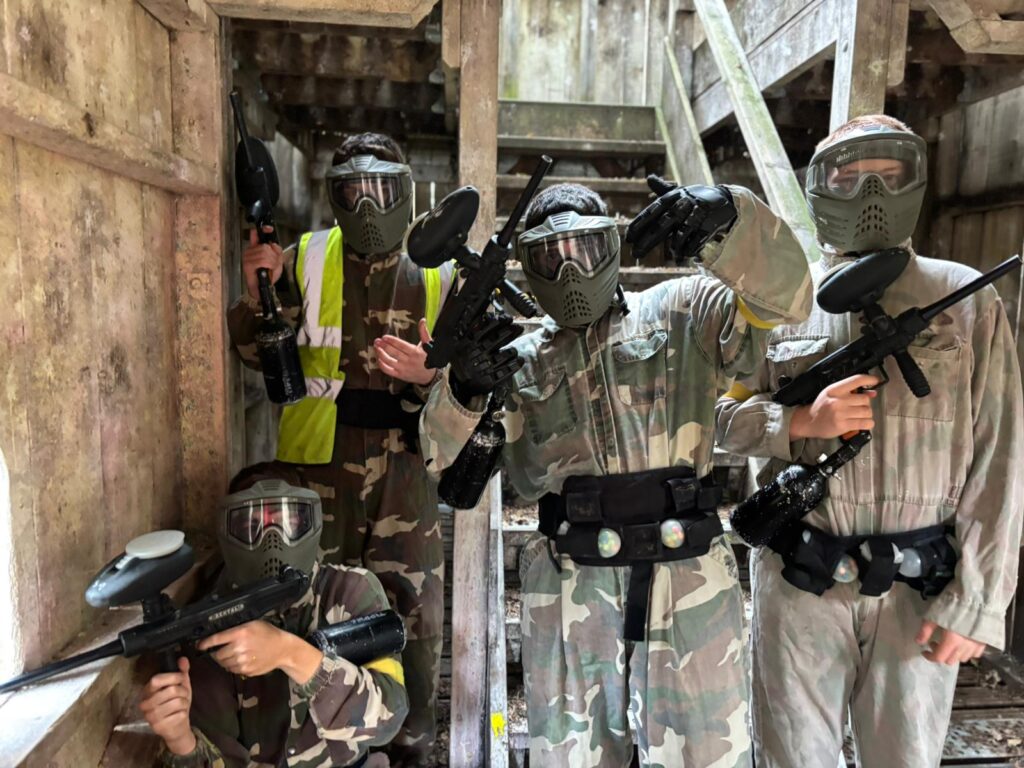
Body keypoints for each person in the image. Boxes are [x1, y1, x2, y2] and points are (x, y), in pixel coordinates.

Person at [416, 180, 812, 767]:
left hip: (687, 584)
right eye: (550, 257)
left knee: (704, 756)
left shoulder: (685, 310)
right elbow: (445, 470)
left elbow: (790, 299)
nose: (570, 271)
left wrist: (732, 220)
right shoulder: (519, 361)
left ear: (612, 246)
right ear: (528, 267)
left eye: (585, 249)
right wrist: (464, 389)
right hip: (572, 589)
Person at [715, 114, 1024, 768]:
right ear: (819, 188)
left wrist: (978, 602)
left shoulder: (965, 301)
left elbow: (1002, 456)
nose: (870, 196)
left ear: (916, 180)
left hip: (917, 588)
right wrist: (795, 423)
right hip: (798, 583)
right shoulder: (776, 300)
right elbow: (712, 415)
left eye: (887, 176)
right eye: (850, 178)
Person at [226, 133, 454, 765]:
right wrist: (257, 291)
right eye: (353, 191)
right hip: (314, 481)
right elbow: (253, 354)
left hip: (405, 477)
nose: (367, 204)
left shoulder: (440, 270)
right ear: (335, 196)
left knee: (413, 624)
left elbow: (475, 387)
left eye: (380, 188)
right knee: (313, 614)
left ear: (404, 190)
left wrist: (433, 375)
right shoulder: (305, 257)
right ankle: (324, 750)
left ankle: (408, 750)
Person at [140, 464, 409, 767]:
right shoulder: (211, 625)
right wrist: (180, 740)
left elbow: (389, 718)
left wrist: (290, 653)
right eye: (251, 525)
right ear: (228, 531)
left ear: (311, 522)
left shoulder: (350, 592)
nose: (272, 539)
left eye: (288, 522)